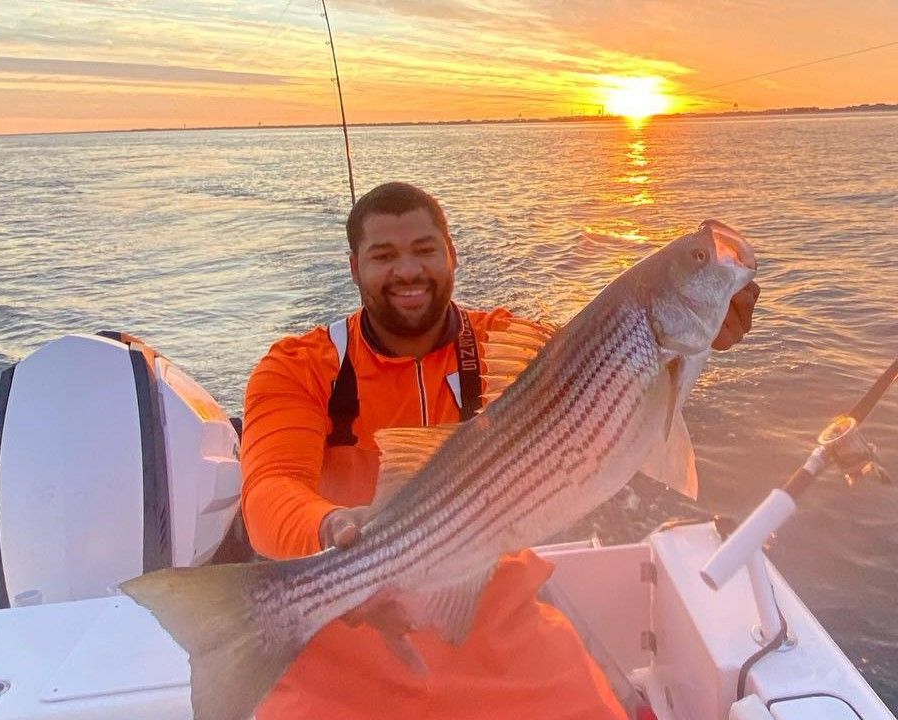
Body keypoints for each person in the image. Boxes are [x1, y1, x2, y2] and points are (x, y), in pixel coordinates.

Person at [240, 182, 760, 719]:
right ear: (354, 268)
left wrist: (705, 333)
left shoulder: (508, 344)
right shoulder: (297, 367)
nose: (408, 271)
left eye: (424, 249)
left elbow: (602, 365)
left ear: (452, 254)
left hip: (497, 636)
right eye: (383, 256)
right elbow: (268, 491)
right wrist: (332, 531)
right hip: (340, 651)